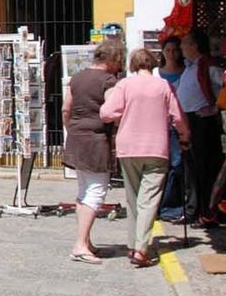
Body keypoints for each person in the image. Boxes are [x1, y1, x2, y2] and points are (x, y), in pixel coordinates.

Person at [103, 48, 189, 267]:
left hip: (128, 147)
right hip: (156, 148)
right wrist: (185, 135)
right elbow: (177, 117)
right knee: (148, 200)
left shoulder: (124, 85)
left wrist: (123, 112)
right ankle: (141, 249)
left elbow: (106, 113)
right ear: (153, 64)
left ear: (133, 65)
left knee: (133, 199)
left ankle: (134, 245)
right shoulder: (163, 86)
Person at [62, 39, 122, 264]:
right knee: (96, 192)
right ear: (113, 59)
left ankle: (85, 241)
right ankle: (80, 244)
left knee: (84, 190)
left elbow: (66, 108)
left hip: (77, 137)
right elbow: (110, 111)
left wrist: (71, 128)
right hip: (96, 139)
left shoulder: (76, 78)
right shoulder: (108, 81)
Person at [178, 30, 226, 224]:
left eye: (184, 44)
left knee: (204, 167)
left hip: (202, 122)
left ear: (194, 46)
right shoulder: (190, 67)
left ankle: (206, 211)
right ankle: (193, 209)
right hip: (189, 120)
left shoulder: (208, 66)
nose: (181, 47)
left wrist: (215, 108)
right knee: (190, 168)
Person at [156, 36, 189, 223]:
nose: (171, 53)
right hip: (159, 126)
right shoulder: (156, 74)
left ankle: (171, 206)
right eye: (168, 50)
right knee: (161, 167)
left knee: (176, 166)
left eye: (175, 50)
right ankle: (161, 206)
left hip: (177, 125)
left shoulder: (186, 72)